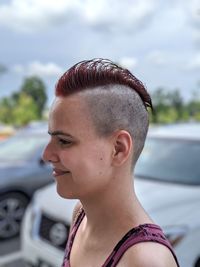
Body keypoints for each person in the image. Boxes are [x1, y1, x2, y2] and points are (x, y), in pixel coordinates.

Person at [42, 58, 180, 267]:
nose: (47, 154)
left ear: (118, 149)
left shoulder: (145, 260)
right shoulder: (81, 215)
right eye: (51, 138)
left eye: (64, 141)